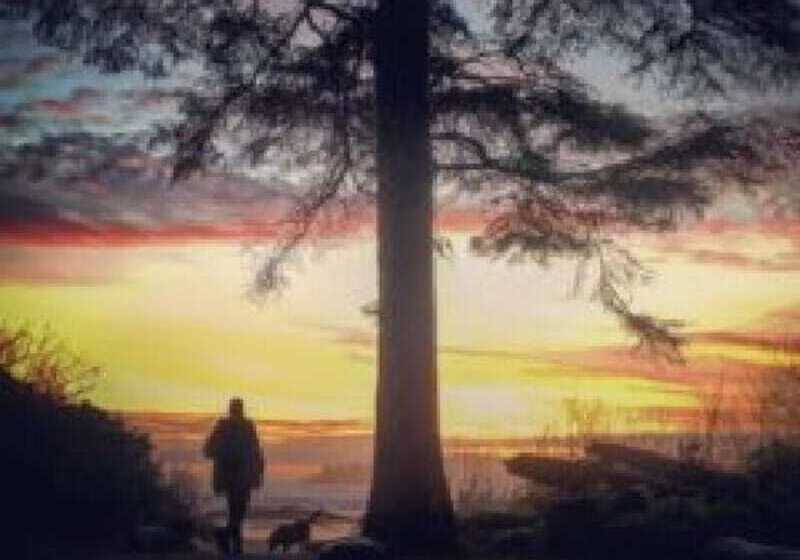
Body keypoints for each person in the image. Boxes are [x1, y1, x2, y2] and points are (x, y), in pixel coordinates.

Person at [204, 397, 264, 556]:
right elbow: (208, 450)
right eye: (236, 408)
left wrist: (258, 473)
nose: (237, 411)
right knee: (236, 512)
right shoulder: (223, 426)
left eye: (238, 408)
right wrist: (226, 456)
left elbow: (256, 451)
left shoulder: (247, 426)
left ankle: (229, 542)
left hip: (244, 478)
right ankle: (231, 543)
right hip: (231, 478)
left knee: (238, 513)